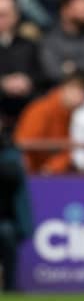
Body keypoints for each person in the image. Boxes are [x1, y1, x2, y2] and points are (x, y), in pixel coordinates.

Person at [13, 74, 84, 174]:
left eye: (82, 92)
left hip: (58, 172)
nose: (78, 96)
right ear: (62, 89)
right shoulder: (40, 110)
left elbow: (72, 150)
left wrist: (53, 167)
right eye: (73, 90)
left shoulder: (82, 114)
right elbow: (25, 143)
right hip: (34, 171)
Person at [0, 0, 41, 134]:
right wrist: (3, 83)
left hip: (26, 112)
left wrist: (28, 81)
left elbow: (43, 76)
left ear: (15, 16)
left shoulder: (29, 46)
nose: (1, 19)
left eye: (4, 14)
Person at [0, 124, 33, 291]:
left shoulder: (9, 152)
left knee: (6, 232)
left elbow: (12, 173)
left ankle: (10, 286)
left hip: (4, 220)